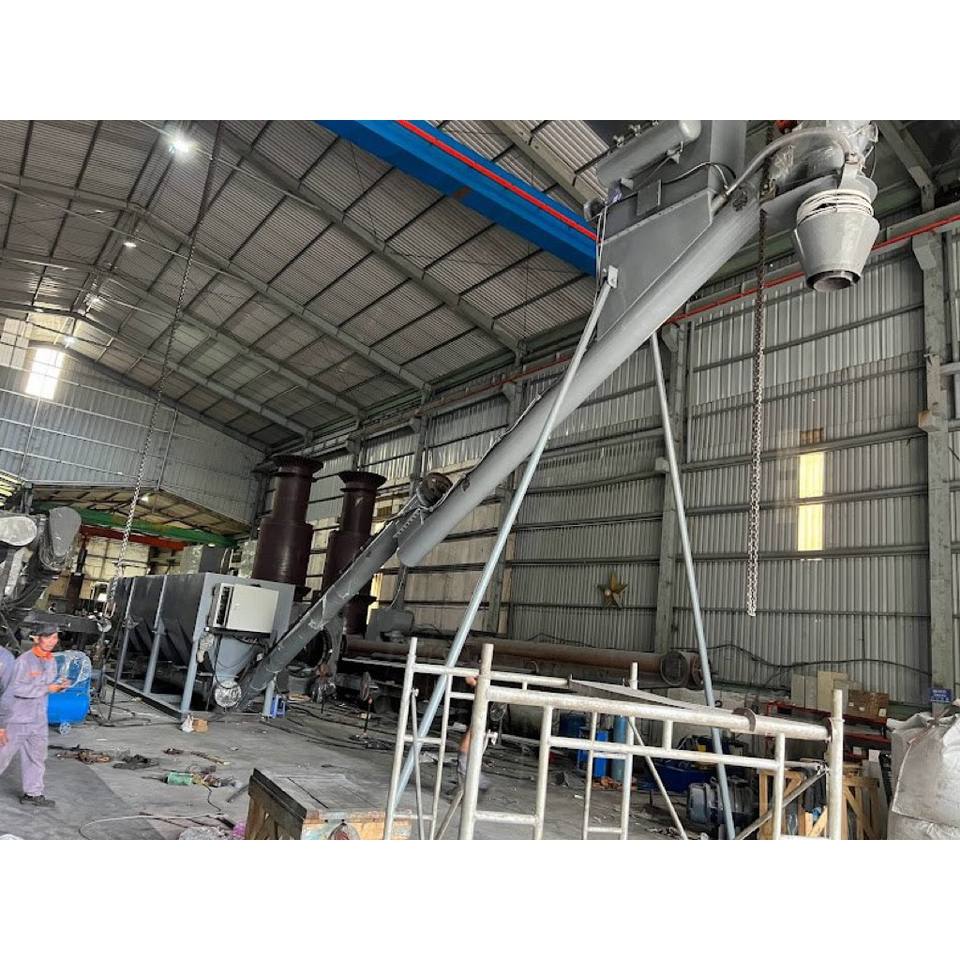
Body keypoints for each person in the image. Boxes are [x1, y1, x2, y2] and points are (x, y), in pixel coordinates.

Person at [0, 629, 68, 807]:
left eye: (55, 637)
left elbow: (48, 684)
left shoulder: (51, 660)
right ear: (37, 638)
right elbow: (14, 689)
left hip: (38, 719)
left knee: (37, 756)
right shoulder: (23, 661)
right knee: (2, 756)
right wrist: (46, 689)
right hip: (17, 719)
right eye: (48, 637)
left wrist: (60, 686)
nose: (52, 641)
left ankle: (33, 794)